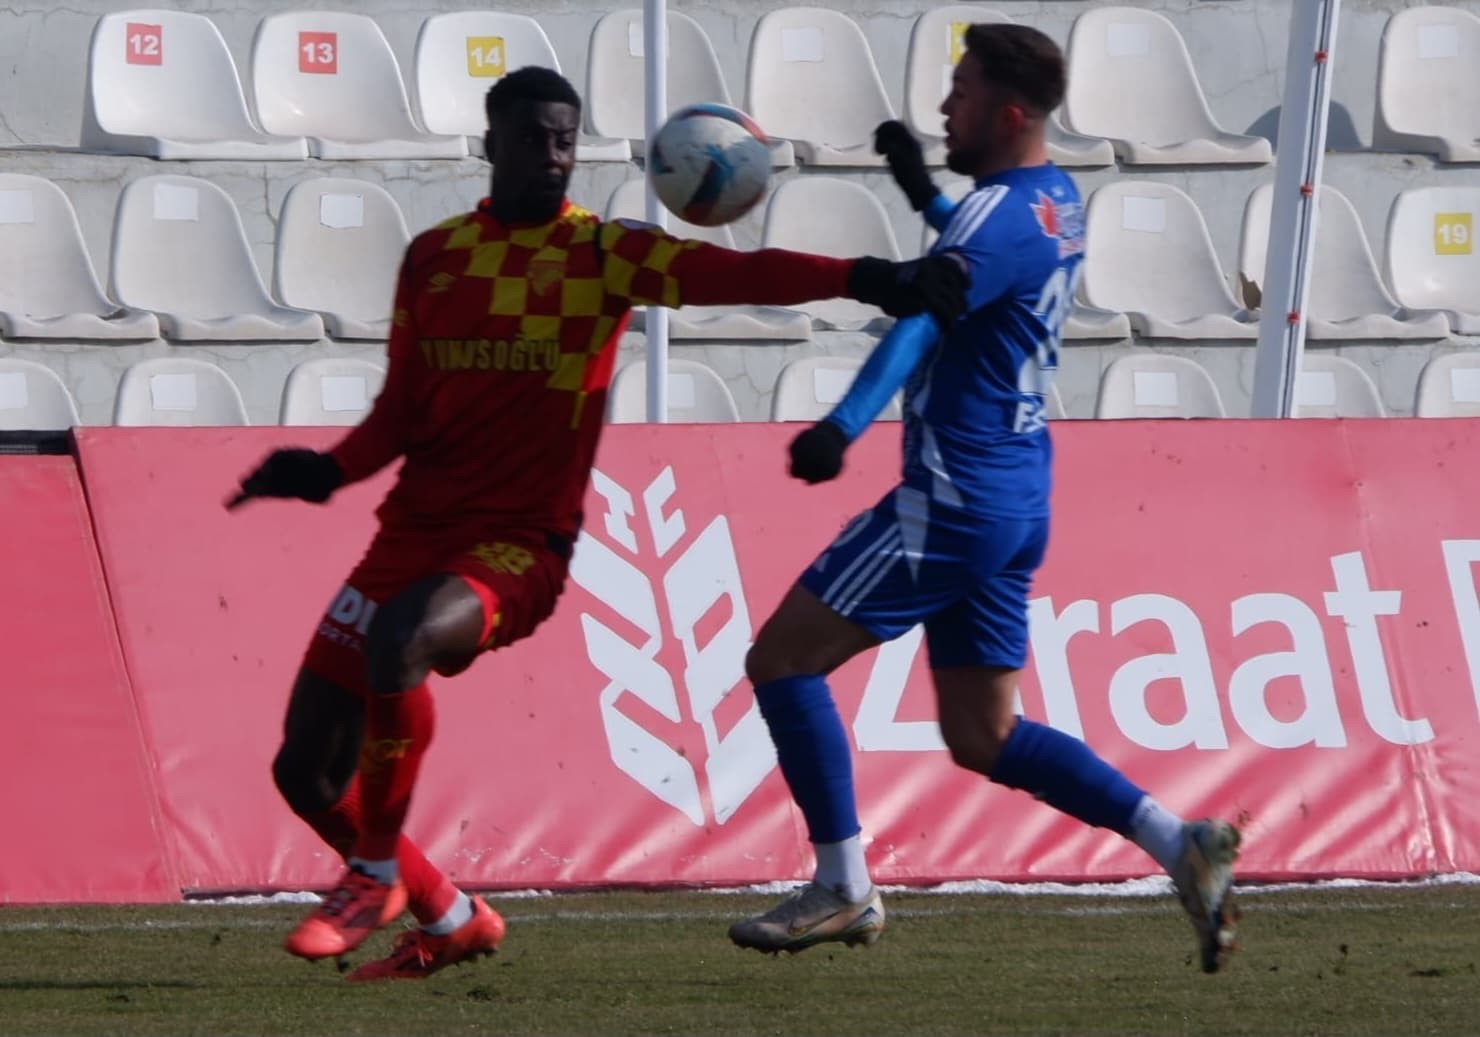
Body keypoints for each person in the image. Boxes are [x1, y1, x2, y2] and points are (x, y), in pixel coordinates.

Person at [227, 66, 968, 982]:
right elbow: (402, 410)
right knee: (305, 772)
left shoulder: (605, 256)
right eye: (536, 137)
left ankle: (374, 872)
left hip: (516, 543)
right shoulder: (435, 256)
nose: (553, 156)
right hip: (408, 533)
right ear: (491, 141)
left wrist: (871, 276)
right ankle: (452, 914)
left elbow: (736, 272)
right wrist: (329, 468)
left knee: (404, 640)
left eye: (567, 139)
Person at [726, 24, 1242, 974]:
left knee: (780, 660)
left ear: (1006, 111)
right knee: (982, 732)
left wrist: (843, 424)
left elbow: (929, 313)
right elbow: (982, 255)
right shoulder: (1055, 200)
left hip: (953, 495)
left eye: (958, 91)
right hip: (1017, 493)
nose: (942, 107)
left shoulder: (993, 217)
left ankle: (842, 886)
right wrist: (919, 190)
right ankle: (1180, 841)